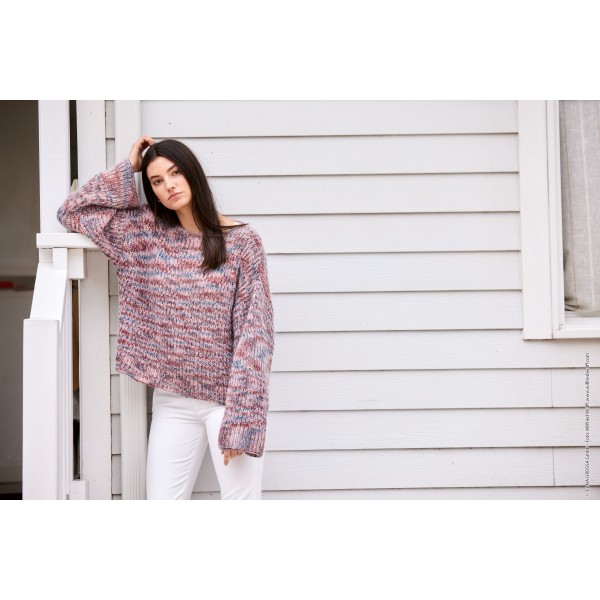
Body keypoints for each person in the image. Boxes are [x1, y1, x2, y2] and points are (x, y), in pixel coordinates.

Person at [56, 135, 275, 500]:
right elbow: (73, 212)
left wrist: (242, 417)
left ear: (192, 174)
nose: (168, 185)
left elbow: (256, 333)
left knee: (241, 504)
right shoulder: (143, 235)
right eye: (156, 181)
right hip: (172, 398)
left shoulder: (241, 242)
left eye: (175, 173)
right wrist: (129, 168)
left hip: (226, 400)